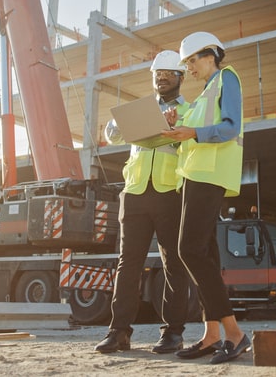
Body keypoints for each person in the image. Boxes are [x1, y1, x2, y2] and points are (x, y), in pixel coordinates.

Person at [94, 50, 192, 355]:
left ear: (180, 77)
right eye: (157, 74)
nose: (161, 78)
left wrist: (173, 128)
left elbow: (189, 143)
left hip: (169, 193)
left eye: (167, 74)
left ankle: (173, 333)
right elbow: (111, 135)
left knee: (173, 264)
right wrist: (117, 124)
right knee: (128, 264)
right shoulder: (142, 109)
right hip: (135, 192)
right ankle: (118, 332)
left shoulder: (190, 110)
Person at [162, 31, 250, 365]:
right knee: (206, 256)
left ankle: (236, 334)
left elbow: (230, 127)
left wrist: (193, 132)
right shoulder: (203, 94)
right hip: (193, 177)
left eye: (191, 61)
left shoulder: (227, 79)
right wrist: (179, 123)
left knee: (189, 250)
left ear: (210, 54)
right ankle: (212, 335)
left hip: (209, 176)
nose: (189, 68)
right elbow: (194, 128)